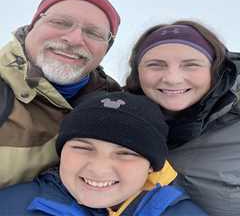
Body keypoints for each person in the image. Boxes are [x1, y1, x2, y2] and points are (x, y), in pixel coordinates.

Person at [0, 91, 207, 216]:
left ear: (152, 165)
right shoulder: (10, 205)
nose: (98, 169)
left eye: (126, 153)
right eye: (82, 148)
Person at [0, 0, 121, 188]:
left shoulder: (118, 103)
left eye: (94, 33)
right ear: (32, 27)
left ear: (105, 51)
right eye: (60, 22)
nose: (74, 39)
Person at [125, 20, 240, 216]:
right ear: (138, 73)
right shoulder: (118, 118)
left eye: (191, 65)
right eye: (155, 65)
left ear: (215, 69)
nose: (172, 78)